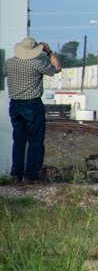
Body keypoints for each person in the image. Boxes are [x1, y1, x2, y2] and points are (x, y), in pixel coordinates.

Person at [4, 37, 61, 185]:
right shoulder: (37, 64)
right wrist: (49, 52)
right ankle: (30, 177)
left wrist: (20, 55)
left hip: (15, 105)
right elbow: (57, 68)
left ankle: (16, 175)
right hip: (32, 104)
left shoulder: (9, 63)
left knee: (19, 141)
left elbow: (4, 71)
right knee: (35, 141)